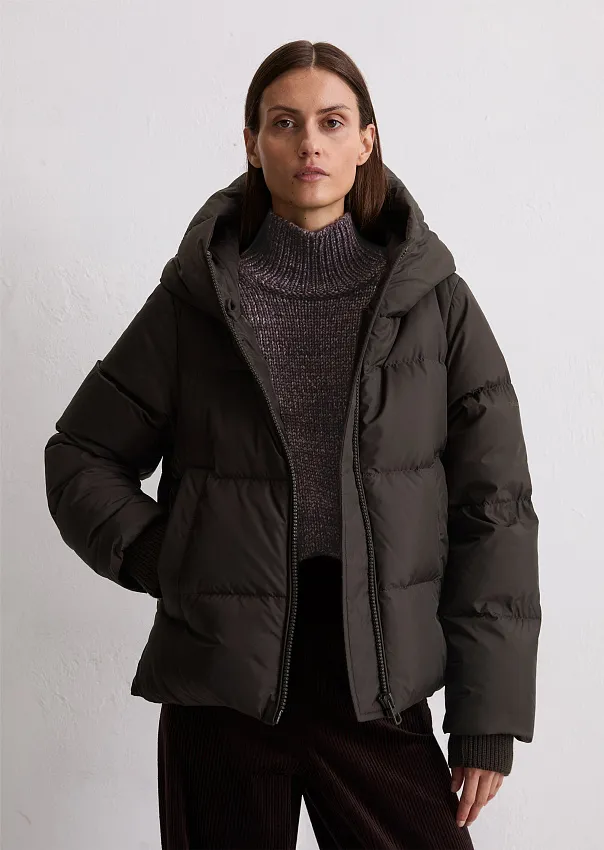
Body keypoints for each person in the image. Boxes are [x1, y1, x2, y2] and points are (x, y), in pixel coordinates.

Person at [44, 39, 541, 849]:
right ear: (253, 143)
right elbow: (79, 456)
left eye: (331, 121)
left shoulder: (436, 304)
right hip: (221, 687)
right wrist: (170, 558)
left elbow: (495, 509)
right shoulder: (196, 302)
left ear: (365, 141)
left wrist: (487, 716)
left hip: (373, 678)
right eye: (284, 122)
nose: (309, 142)